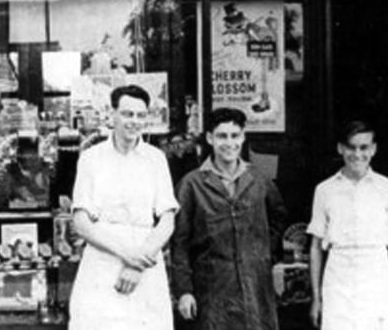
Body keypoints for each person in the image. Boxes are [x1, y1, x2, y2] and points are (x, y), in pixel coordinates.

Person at [69, 84, 178, 330]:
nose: (134, 122)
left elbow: (167, 219)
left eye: (141, 115)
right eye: (128, 114)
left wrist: (138, 262)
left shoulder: (155, 159)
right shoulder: (91, 158)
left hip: (146, 262)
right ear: (112, 115)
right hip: (103, 259)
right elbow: (82, 222)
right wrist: (126, 254)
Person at [172, 107, 287, 330]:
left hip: (255, 287)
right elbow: (180, 242)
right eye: (222, 136)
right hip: (212, 289)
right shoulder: (192, 184)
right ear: (209, 138)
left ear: (243, 137)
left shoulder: (259, 179)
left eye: (235, 136)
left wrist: (263, 255)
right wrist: (184, 291)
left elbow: (278, 218)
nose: (229, 143)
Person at [307, 119, 388, 330]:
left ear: (373, 149)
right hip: (338, 278)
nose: (357, 154)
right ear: (340, 148)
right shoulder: (324, 190)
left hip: (377, 277)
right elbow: (316, 247)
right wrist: (317, 298)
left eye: (364, 147)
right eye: (351, 147)